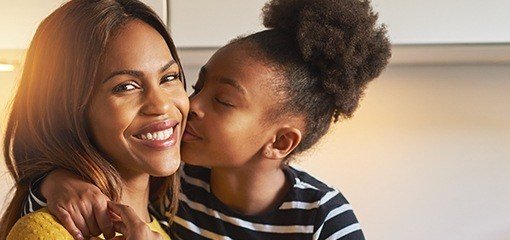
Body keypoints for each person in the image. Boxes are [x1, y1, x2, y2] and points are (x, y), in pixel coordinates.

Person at [25, 0, 391, 239]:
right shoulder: (174, 182)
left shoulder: (323, 217)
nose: (190, 104)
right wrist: (54, 181)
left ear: (280, 142)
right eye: (197, 85)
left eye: (224, 101)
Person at [0, 0, 189, 239]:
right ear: (68, 111)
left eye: (169, 77)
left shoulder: (168, 222)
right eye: (126, 86)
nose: (161, 104)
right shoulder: (46, 232)